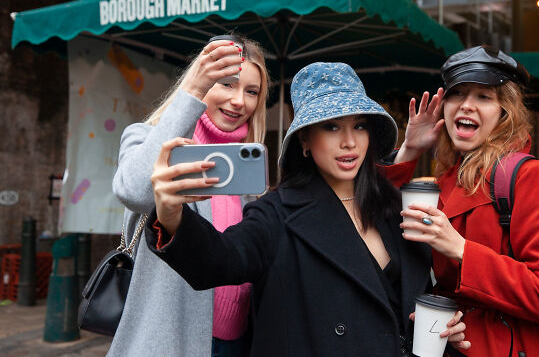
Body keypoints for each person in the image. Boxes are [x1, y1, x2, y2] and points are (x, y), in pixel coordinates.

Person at [144, 62, 469, 357]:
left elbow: (410, 301)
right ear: (304, 141)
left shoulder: (393, 205)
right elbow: (224, 258)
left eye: (358, 126)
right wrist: (172, 216)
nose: (349, 142)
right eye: (331, 127)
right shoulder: (278, 213)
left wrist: (442, 329)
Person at [385, 45, 539, 356]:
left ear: (504, 111)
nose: (466, 105)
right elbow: (369, 223)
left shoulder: (527, 177)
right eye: (457, 94)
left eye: (483, 97)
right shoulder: (448, 179)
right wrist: (409, 150)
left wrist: (462, 250)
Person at [109, 34, 269, 356]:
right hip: (170, 339)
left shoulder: (247, 165)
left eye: (251, 91)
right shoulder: (148, 139)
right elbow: (134, 192)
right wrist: (192, 91)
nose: (239, 100)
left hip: (238, 343)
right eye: (226, 84)